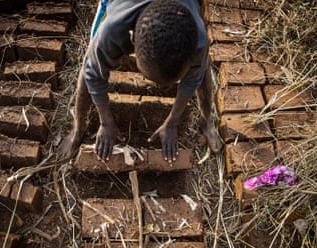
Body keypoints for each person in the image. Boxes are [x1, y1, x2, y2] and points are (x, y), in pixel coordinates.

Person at [58, 0, 223, 163]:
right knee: (92, 58)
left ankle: (206, 120)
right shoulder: (111, 30)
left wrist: (172, 122)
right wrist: (105, 121)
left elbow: (194, 77)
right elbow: (92, 73)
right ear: (132, 39)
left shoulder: (198, 39)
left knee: (202, 66)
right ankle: (77, 128)